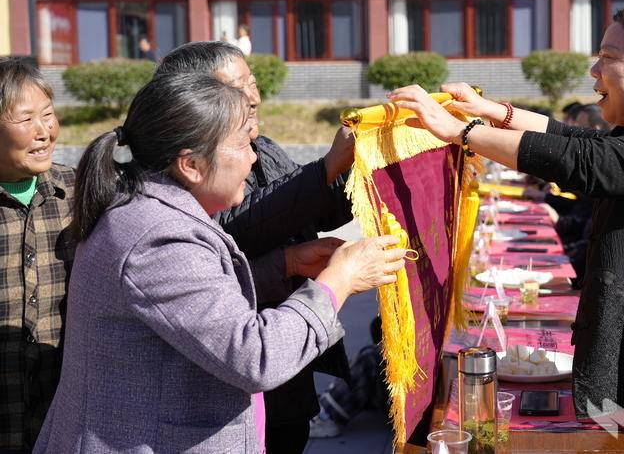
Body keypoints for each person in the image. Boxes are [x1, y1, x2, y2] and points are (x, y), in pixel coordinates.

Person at [391, 3, 624, 452]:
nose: (594, 70)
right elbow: (580, 140)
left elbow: (586, 162)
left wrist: (462, 131)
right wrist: (492, 112)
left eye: (608, 57)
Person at [33, 73, 404, 453]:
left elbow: (194, 314)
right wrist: (337, 283)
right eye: (244, 142)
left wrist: (286, 264)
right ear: (191, 164)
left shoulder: (152, 210)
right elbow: (255, 357)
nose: (254, 156)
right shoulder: (159, 236)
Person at [155, 41, 356, 454]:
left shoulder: (259, 148)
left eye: (252, 83)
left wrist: (369, 163)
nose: (253, 97)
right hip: (230, 375)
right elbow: (235, 227)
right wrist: (324, 170)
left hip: (286, 365)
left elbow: (313, 208)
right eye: (237, 88)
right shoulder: (178, 173)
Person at [0, 57, 75, 453]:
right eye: (26, 119)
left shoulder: (78, 195)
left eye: (48, 115)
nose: (44, 132)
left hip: (59, 420)